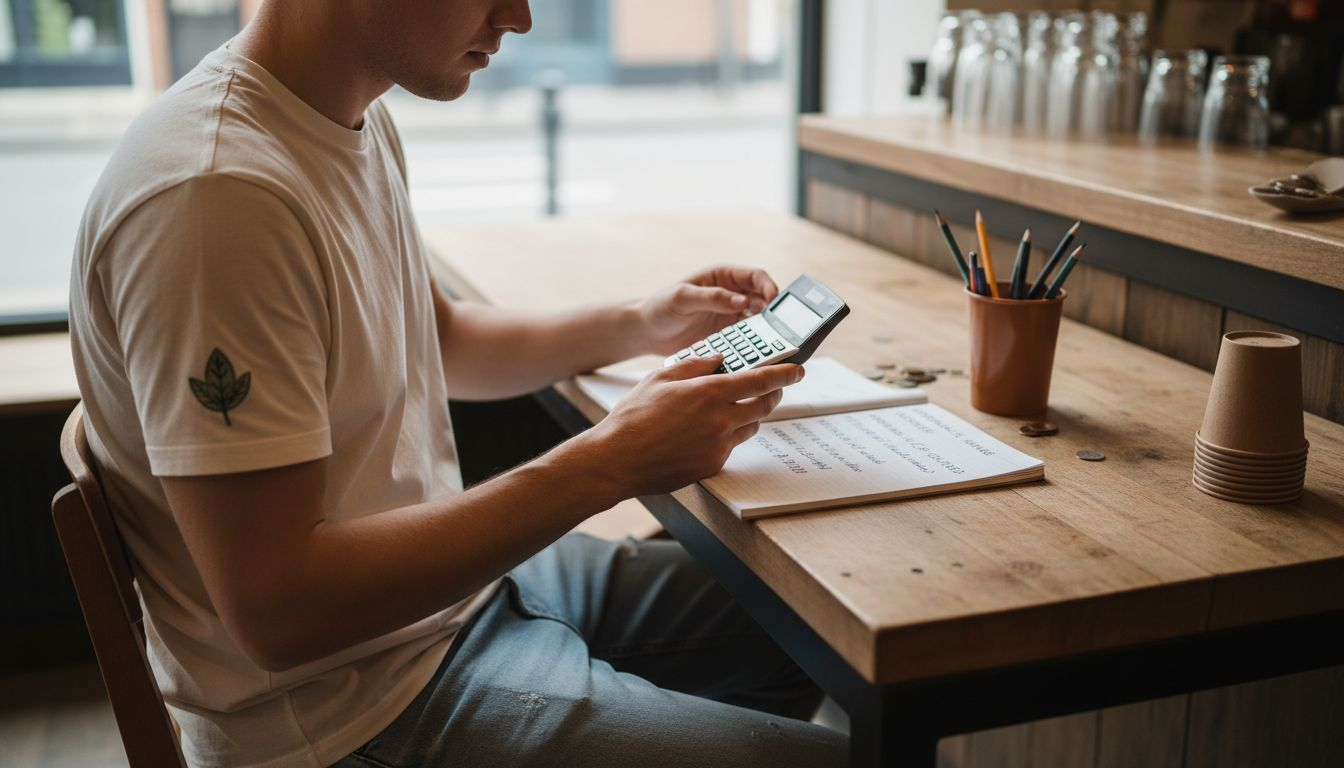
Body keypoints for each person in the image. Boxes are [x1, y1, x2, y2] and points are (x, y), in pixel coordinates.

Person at [68, 0, 848, 765]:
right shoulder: (218, 199)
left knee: (802, 625)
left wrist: (640, 322)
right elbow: (279, 609)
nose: (520, 17)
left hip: (440, 612)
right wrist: (609, 460)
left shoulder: (345, 114)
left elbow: (438, 337)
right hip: (345, 713)